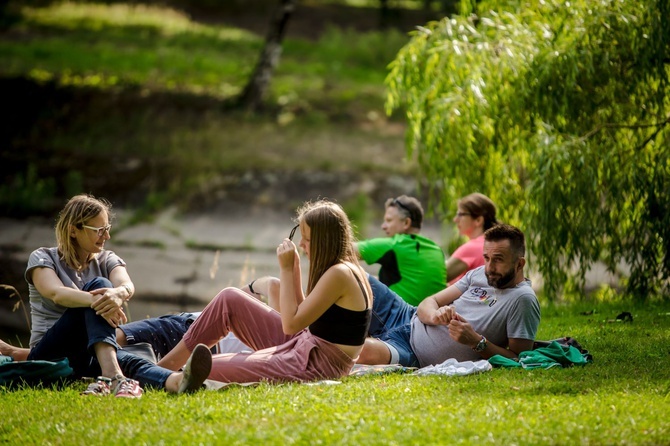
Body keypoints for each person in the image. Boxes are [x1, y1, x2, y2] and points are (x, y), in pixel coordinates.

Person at [150, 199, 373, 383]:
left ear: (324, 241)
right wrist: (294, 270)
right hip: (304, 346)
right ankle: (162, 369)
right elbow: (305, 318)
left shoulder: (340, 274)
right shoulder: (342, 270)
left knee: (210, 367)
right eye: (301, 238)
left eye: (307, 240)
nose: (302, 245)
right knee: (230, 298)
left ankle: (161, 376)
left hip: (315, 364)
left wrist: (285, 270)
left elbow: (291, 323)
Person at [16, 194, 211, 396]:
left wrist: (119, 293)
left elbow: (126, 284)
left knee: (124, 358)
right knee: (100, 286)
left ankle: (176, 381)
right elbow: (56, 293)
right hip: (49, 354)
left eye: (107, 229)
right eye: (99, 230)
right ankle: (113, 376)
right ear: (73, 230)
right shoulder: (42, 257)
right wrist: (101, 300)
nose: (106, 236)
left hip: (88, 352)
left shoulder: (106, 258)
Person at [357, 223, 541, 367]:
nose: (490, 267)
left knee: (360, 351)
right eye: (486, 258)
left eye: (498, 260)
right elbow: (431, 301)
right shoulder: (479, 274)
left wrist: (476, 341)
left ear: (519, 264)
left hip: (412, 352)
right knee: (352, 274)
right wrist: (435, 315)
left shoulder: (522, 299)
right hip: (405, 316)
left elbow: (519, 359)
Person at [354, 195, 446, 305]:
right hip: (432, 317)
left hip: (401, 319)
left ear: (406, 223)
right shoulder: (436, 249)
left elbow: (340, 249)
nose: (383, 226)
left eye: (389, 220)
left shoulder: (397, 245)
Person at [446, 193, 499, 284]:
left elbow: (437, 276)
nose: (455, 219)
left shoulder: (472, 247)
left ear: (478, 220)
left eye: (460, 214)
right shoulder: (497, 243)